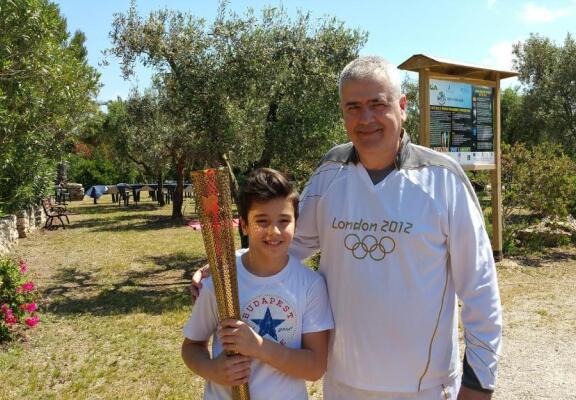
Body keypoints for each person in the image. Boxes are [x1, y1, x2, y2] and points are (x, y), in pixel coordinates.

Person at [192, 56, 502, 400]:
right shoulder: (330, 172)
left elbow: (480, 289)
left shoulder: (443, 179)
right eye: (353, 107)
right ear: (342, 114)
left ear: (402, 106)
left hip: (423, 387)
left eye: (377, 104)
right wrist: (227, 270)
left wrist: (478, 384)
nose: (365, 118)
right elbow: (288, 244)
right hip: (342, 384)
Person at [182, 168, 334, 400]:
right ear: (243, 224)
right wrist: (214, 370)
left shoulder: (310, 285)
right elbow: (192, 347)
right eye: (261, 221)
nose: (274, 231)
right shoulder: (221, 281)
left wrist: (259, 347)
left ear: (296, 223)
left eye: (284, 221)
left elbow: (315, 367)